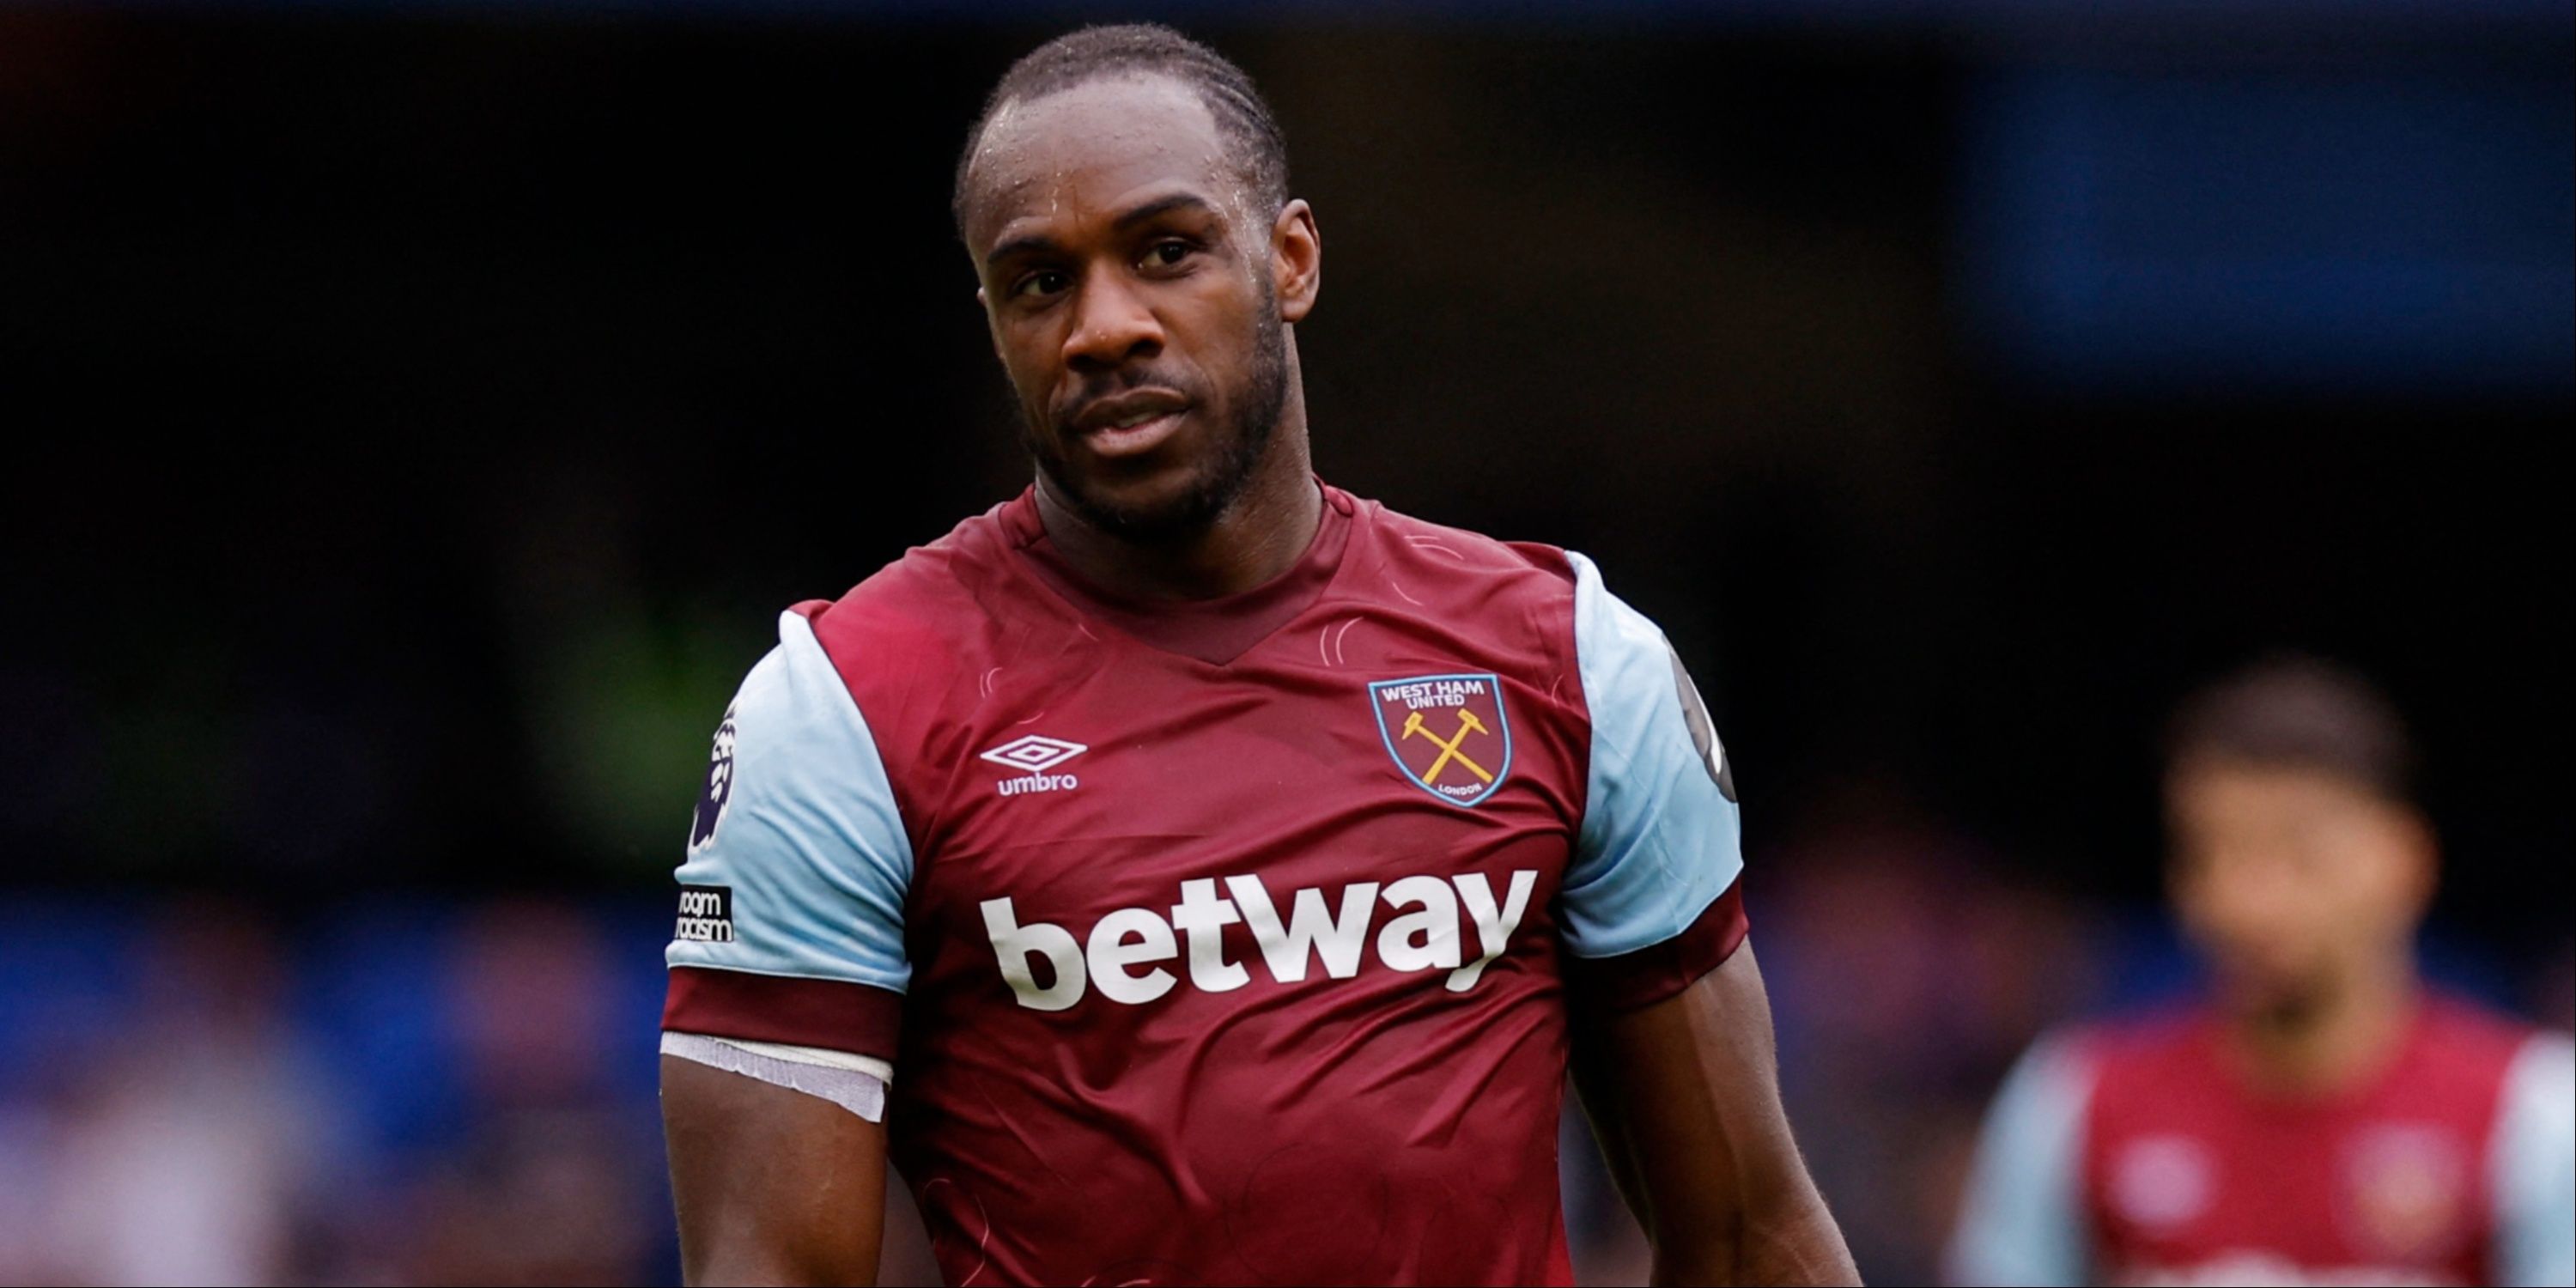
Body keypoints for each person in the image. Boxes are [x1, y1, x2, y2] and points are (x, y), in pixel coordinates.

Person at [653, 22, 1857, 1288]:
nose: (1104, 326)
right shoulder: (843, 709)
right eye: (1039, 281)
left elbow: (1746, 1234)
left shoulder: (1566, 659)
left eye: (1167, 252)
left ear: (1290, 259)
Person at [1949, 659, 2575, 1286]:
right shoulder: (2071, 1099)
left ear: (2406, 861)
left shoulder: (2534, 1109)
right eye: (2212, 854)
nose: (2249, 901)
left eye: (2301, 856)